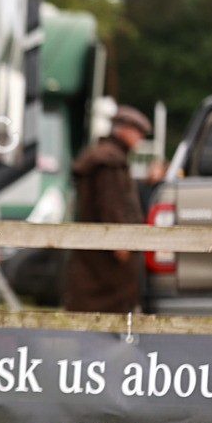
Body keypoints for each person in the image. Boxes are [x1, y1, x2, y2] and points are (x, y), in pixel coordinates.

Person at [62, 105, 152, 313]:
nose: (140, 137)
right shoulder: (109, 160)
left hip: (95, 250)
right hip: (107, 252)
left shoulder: (104, 155)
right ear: (124, 129)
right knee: (108, 309)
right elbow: (111, 203)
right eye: (137, 131)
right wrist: (119, 241)